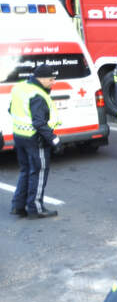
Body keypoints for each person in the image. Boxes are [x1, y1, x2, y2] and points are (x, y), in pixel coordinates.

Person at [10, 64, 60, 219]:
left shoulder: (21, 88)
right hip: (35, 139)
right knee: (38, 172)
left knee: (25, 171)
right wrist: (53, 139)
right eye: (51, 79)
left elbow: (11, 109)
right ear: (42, 79)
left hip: (19, 135)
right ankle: (35, 208)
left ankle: (18, 206)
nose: (53, 82)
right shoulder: (38, 95)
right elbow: (39, 123)